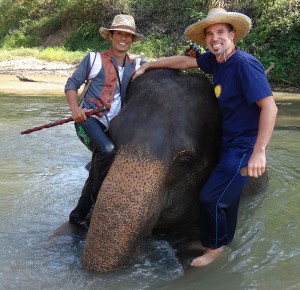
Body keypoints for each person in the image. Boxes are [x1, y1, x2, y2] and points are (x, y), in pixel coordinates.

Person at [133, 8, 278, 267]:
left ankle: (213, 249)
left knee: (210, 197)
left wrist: (259, 151)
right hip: (228, 141)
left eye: (220, 32)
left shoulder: (244, 64)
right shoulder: (216, 61)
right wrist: (150, 65)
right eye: (210, 34)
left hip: (244, 147)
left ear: (232, 34)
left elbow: (270, 107)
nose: (214, 38)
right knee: (228, 198)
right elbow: (185, 63)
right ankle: (225, 240)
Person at [65, 14, 146, 229]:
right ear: (110, 35)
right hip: (88, 120)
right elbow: (71, 84)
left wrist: (188, 56)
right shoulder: (93, 59)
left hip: (113, 125)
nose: (124, 39)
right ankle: (98, 200)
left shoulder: (135, 64)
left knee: (100, 163)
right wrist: (75, 109)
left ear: (132, 40)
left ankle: (78, 215)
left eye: (128, 35)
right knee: (107, 151)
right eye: (119, 33)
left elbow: (162, 67)